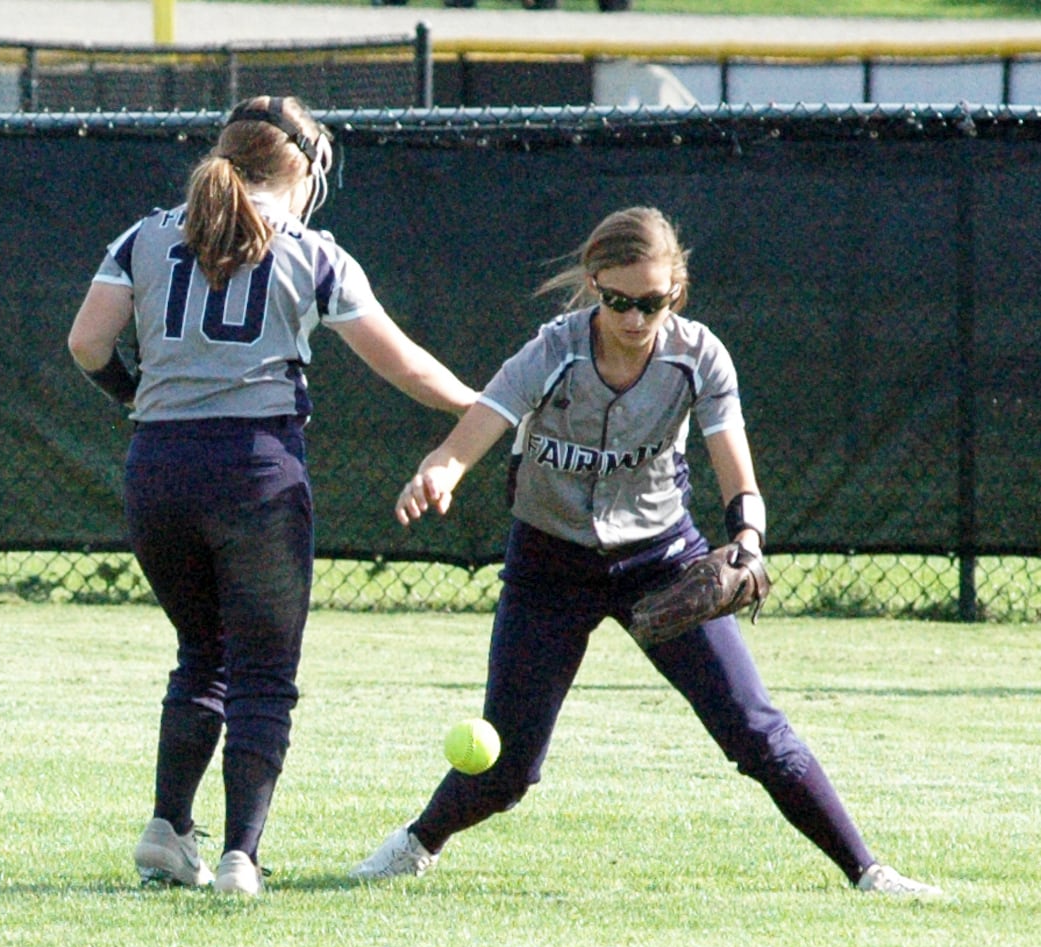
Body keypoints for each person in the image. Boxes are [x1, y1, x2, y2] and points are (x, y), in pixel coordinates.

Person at [350, 206, 940, 896]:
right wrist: (441, 470)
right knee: (508, 765)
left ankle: (868, 871)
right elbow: (482, 422)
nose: (634, 318)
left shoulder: (698, 357)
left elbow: (737, 475)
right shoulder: (554, 349)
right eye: (618, 301)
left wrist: (747, 542)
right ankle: (417, 843)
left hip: (659, 559)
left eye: (651, 302)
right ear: (595, 285)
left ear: (675, 292)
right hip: (548, 565)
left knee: (753, 729)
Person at [67, 95, 478, 896]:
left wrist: (136, 399)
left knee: (202, 654)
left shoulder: (145, 233)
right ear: (305, 166)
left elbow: (87, 343)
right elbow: (404, 366)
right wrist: (482, 409)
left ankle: (166, 830)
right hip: (254, 469)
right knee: (262, 672)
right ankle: (239, 857)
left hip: (158, 467)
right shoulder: (312, 251)